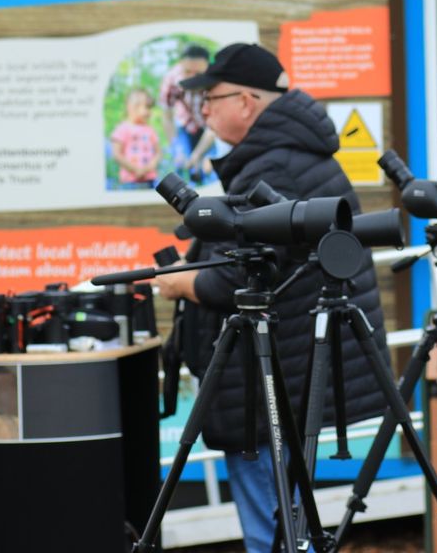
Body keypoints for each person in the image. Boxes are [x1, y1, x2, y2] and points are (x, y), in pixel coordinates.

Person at [151, 43, 389, 553]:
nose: (204, 111)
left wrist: (174, 282)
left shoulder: (273, 167)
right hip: (281, 373)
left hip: (269, 382)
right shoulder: (285, 155)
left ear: (248, 101)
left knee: (272, 533)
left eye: (211, 98)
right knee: (284, 524)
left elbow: (233, 279)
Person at [158, 45, 210, 174]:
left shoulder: (215, 82)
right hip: (184, 124)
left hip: (210, 127)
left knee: (209, 168)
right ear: (180, 65)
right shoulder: (171, 79)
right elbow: (167, 118)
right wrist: (177, 149)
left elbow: (215, 127)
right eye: (187, 72)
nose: (192, 78)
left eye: (198, 73)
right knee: (181, 166)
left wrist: (197, 154)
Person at [109, 87, 161, 187]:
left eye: (150, 108)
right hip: (129, 181)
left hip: (150, 179)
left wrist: (150, 166)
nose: (149, 112)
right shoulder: (122, 128)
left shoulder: (150, 130)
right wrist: (135, 169)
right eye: (146, 107)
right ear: (132, 107)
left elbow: (158, 152)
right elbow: (116, 154)